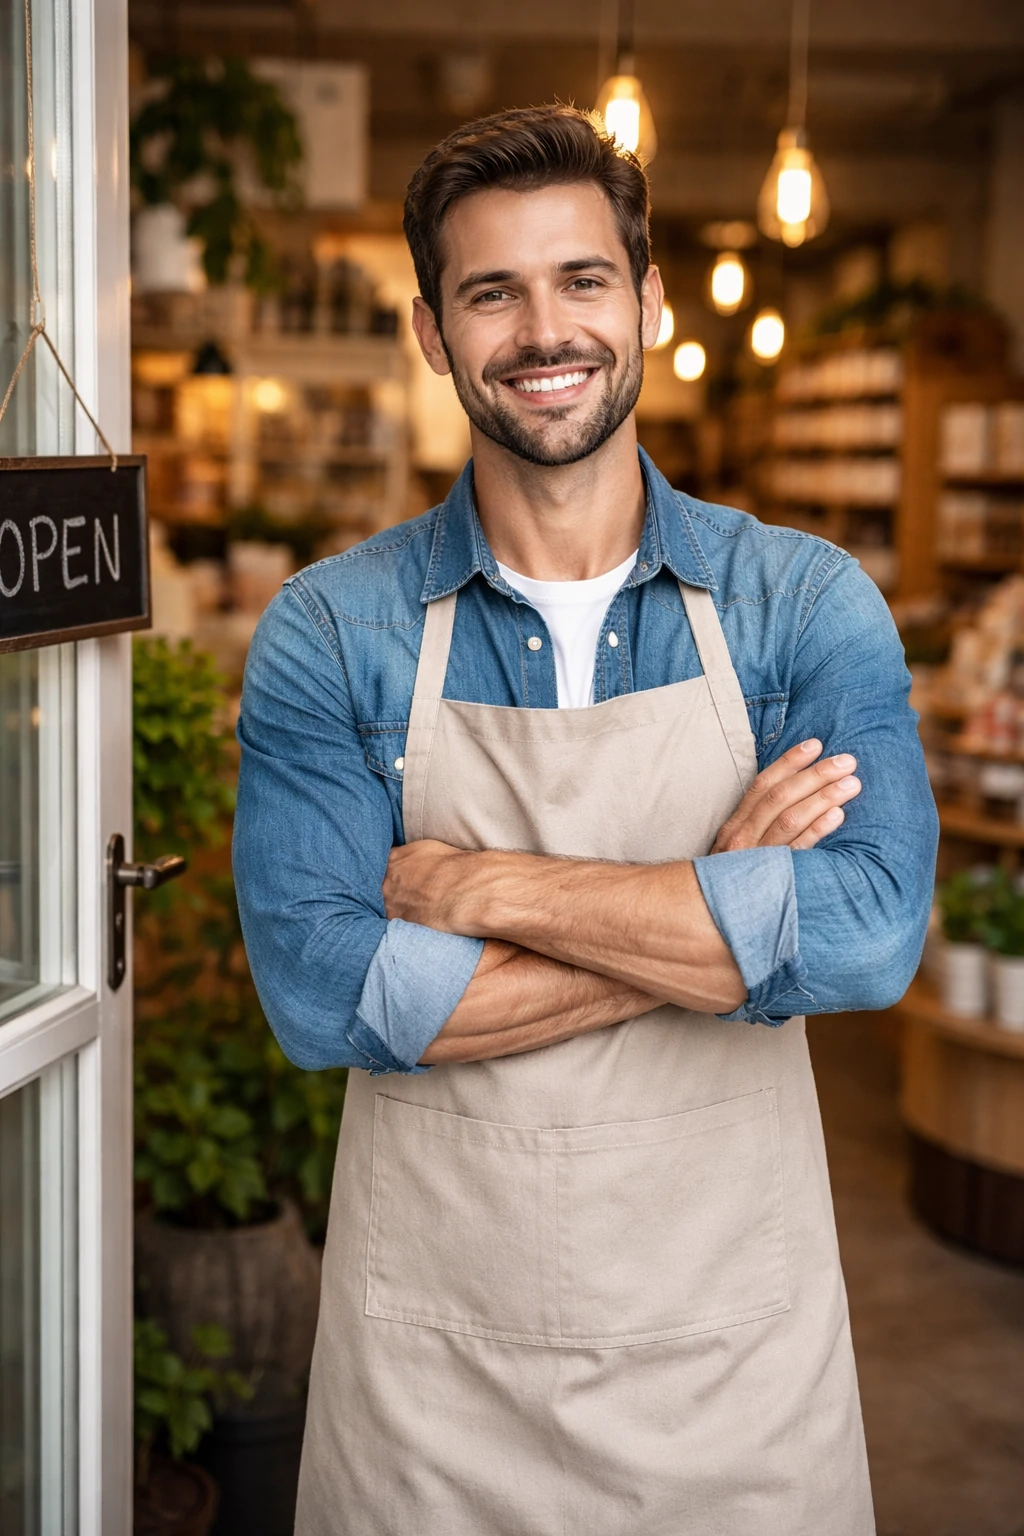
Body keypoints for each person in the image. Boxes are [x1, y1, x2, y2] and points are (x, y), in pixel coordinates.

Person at [233, 105, 937, 1536]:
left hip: (737, 1378)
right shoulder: (332, 630)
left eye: (583, 281)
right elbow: (324, 992)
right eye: (491, 292)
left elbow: (866, 935)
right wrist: (721, 908)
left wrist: (478, 889)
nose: (544, 329)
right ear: (433, 331)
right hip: (431, 1387)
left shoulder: (799, 602)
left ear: (652, 303)